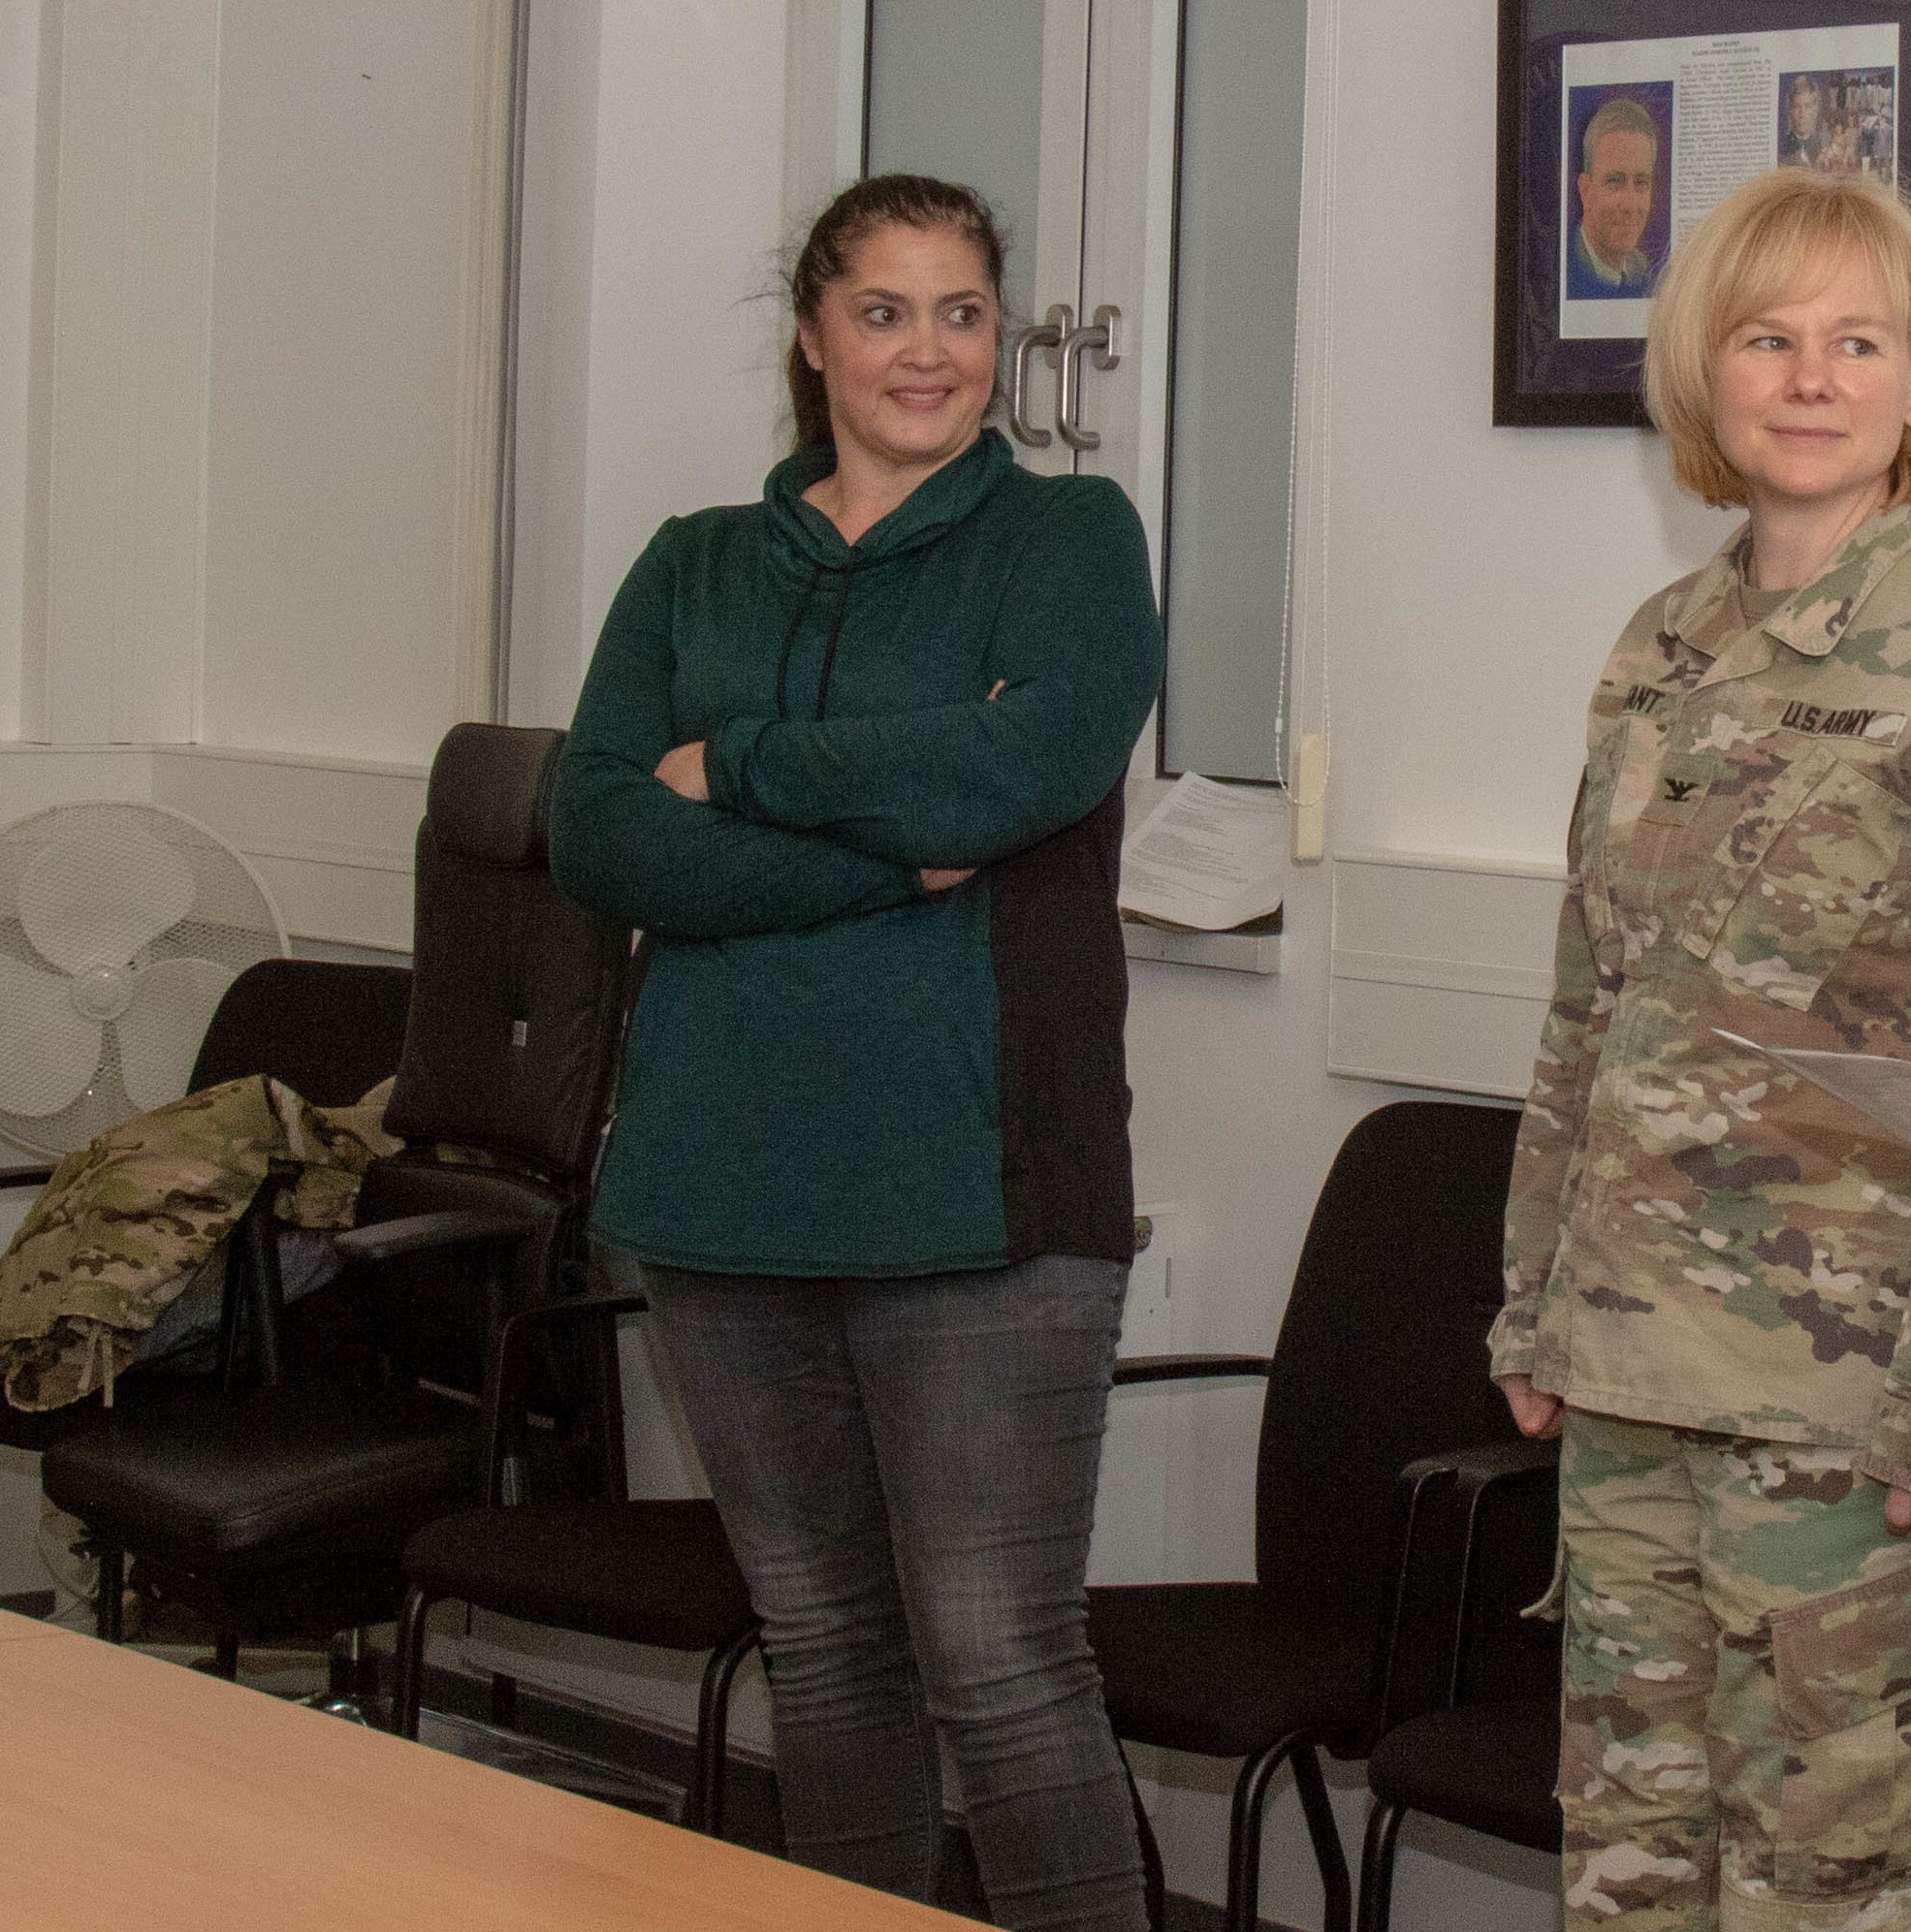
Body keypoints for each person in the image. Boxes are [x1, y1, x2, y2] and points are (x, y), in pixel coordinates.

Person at [1493, 165, 1911, 1932]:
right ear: (1702, 371)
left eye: (1858, 342)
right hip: (1632, 1378)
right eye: (1766, 337)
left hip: (1854, 1422)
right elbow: (1589, 1004)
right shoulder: (1659, 648)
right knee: (1627, 1879)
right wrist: (1532, 1297)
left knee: (1827, 1898)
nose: (1808, 377)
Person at [548, 173, 1163, 1931]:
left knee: (1000, 1663)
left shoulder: (1067, 539)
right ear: (811, 338)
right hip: (715, 1188)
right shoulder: (693, 562)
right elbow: (597, 829)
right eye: (882, 311)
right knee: (823, 1648)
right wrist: (900, 849)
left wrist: (735, 763)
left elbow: (1024, 766)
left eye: (961, 312)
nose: (926, 349)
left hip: (982, 1193)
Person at [1569, 96, 1662, 297]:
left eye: (1641, 182)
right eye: (1615, 182)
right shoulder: (1562, 266)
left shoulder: (1642, 269)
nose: (1629, 205)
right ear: (1585, 191)